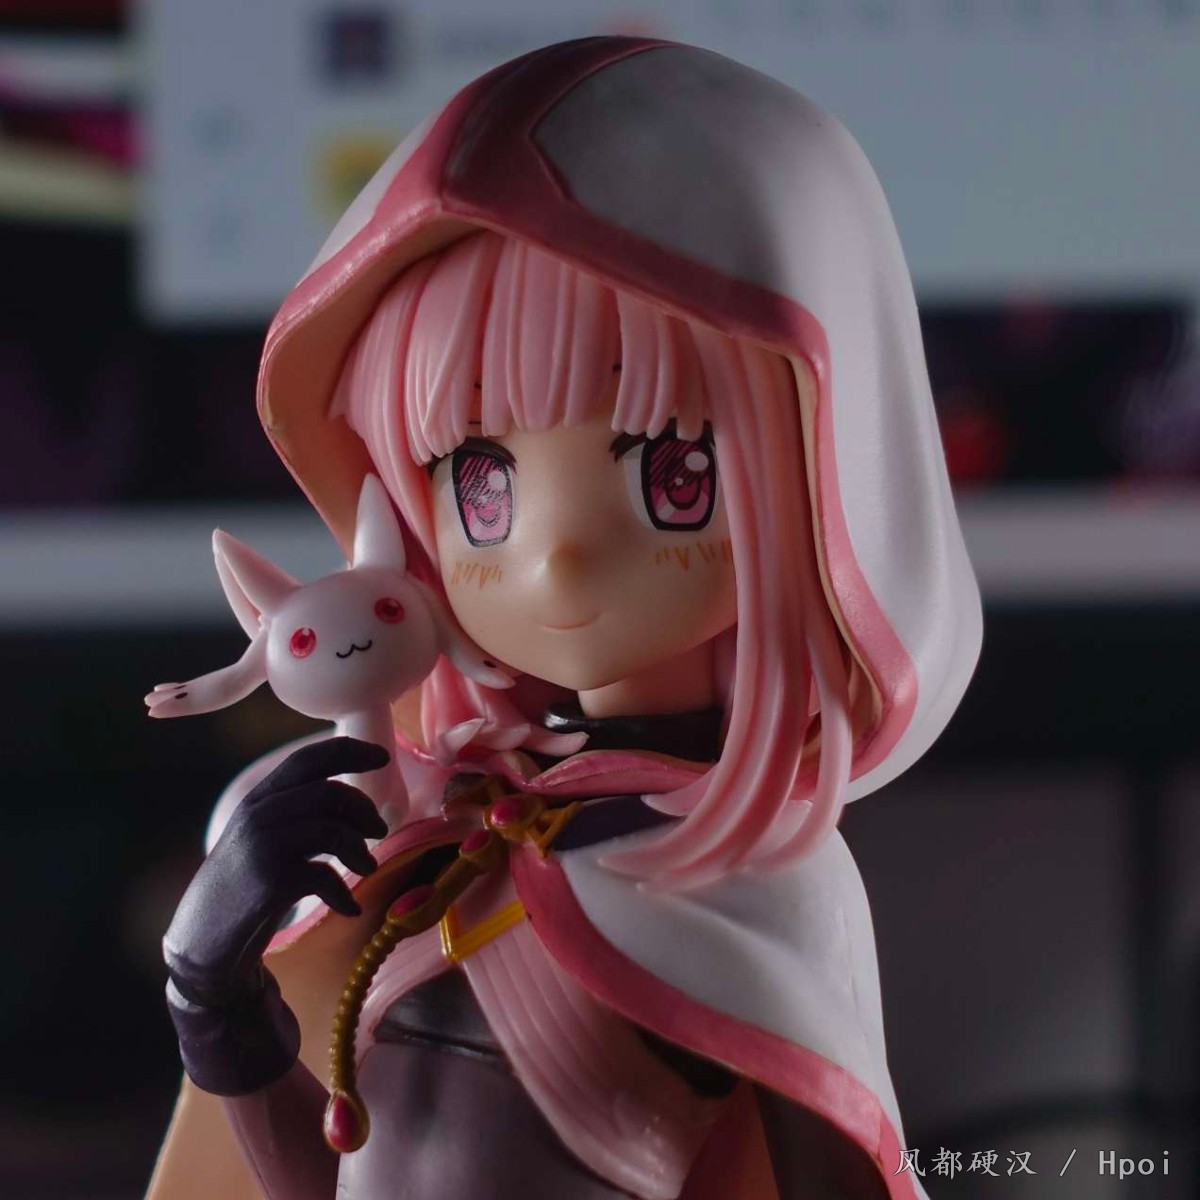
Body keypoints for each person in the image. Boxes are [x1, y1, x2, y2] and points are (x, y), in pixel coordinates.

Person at [148, 36, 981, 1200]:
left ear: (830, 474)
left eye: (673, 474)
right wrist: (210, 991)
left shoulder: (757, 883)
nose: (556, 552)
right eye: (480, 483)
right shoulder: (432, 831)